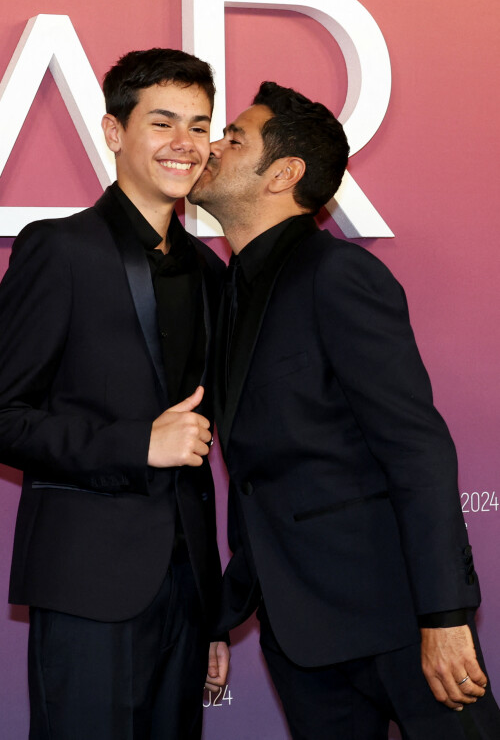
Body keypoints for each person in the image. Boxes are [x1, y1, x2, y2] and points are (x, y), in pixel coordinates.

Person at [189, 81, 500, 739]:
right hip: (301, 635)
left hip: (397, 619)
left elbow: (417, 446)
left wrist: (444, 617)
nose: (211, 147)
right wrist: (225, 612)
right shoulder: (230, 294)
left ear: (285, 173)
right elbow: (260, 480)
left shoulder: (338, 275)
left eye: (233, 138)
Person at [0, 47, 229, 740]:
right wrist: (137, 444)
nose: (185, 144)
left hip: (184, 591)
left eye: (200, 126)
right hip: (87, 584)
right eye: (163, 122)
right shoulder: (60, 249)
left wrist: (212, 611)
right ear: (115, 132)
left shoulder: (208, 270)